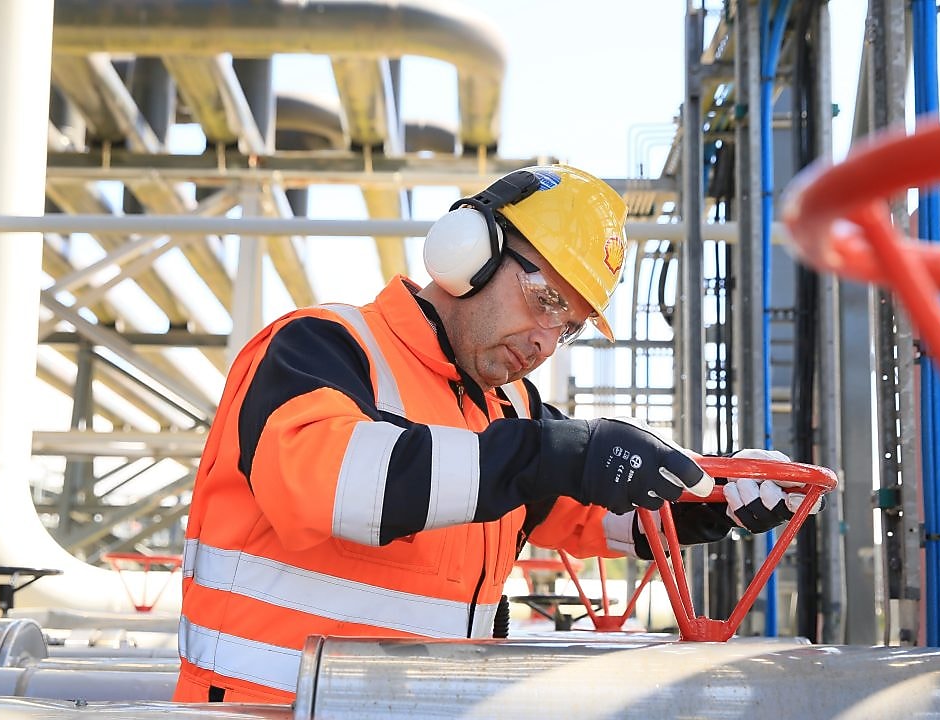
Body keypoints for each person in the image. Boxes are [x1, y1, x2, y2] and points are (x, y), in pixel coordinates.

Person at [174, 165, 820, 704]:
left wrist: (716, 499)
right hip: (267, 709)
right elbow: (330, 484)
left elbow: (584, 505)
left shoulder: (507, 408)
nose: (546, 343)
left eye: (567, 328)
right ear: (469, 252)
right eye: (546, 301)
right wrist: (551, 453)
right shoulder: (325, 345)